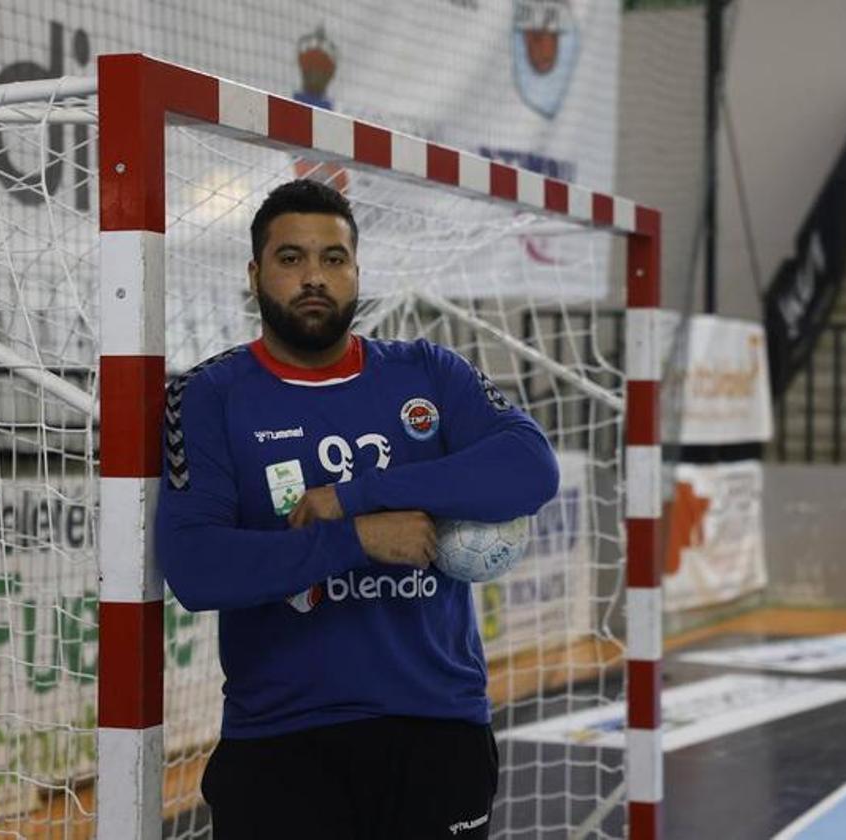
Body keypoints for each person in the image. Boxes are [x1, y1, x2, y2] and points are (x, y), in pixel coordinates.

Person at [155, 178, 559, 839]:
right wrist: (360, 538)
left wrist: (355, 496)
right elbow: (197, 568)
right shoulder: (209, 395)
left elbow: (531, 469)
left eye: (333, 259)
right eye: (291, 259)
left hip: (438, 730)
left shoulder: (427, 371)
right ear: (255, 273)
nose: (314, 277)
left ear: (356, 271)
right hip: (282, 742)